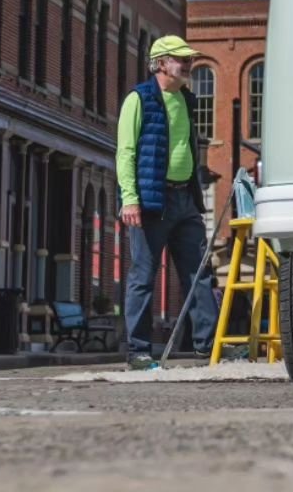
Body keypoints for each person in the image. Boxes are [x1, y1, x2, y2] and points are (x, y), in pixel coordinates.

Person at [117, 34, 219, 370]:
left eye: (189, 59)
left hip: (186, 199)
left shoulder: (187, 100)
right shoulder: (139, 98)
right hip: (151, 202)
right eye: (181, 59)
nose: (188, 64)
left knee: (199, 272)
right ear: (161, 63)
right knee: (143, 275)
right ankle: (139, 351)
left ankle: (208, 346)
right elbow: (127, 151)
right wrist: (129, 199)